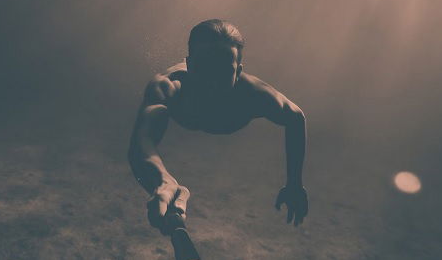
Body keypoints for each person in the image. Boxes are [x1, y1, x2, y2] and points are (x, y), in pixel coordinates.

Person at [127, 19, 309, 235]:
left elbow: (296, 117)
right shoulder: (168, 86)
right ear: (189, 64)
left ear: (239, 71)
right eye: (205, 68)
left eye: (223, 71)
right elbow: (142, 141)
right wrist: (163, 180)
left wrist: (295, 183)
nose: (212, 82)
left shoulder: (253, 94)